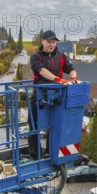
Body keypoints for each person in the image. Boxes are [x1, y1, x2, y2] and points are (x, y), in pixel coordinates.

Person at [28, 30, 77, 160]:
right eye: (48, 42)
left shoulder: (61, 56)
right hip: (39, 95)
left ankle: (51, 152)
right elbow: (42, 71)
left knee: (55, 124)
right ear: (42, 41)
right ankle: (35, 155)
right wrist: (57, 79)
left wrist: (73, 78)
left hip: (56, 96)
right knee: (33, 124)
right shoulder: (35, 57)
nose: (51, 44)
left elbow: (70, 69)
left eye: (53, 42)